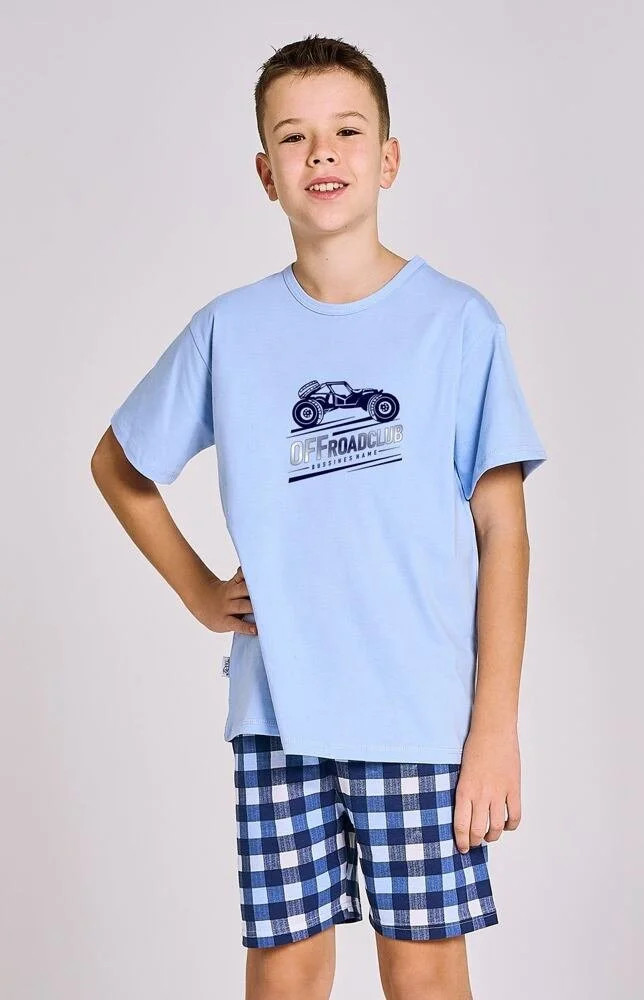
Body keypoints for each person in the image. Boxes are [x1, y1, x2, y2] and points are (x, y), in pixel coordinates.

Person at [91, 33, 547, 1000]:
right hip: (278, 715)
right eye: (293, 137)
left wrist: (493, 729)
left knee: (424, 973)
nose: (322, 153)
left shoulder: (456, 322)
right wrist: (200, 592)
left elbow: (501, 530)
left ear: (388, 157)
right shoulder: (230, 328)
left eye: (346, 131)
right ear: (266, 173)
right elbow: (120, 464)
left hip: (421, 715)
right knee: (286, 970)